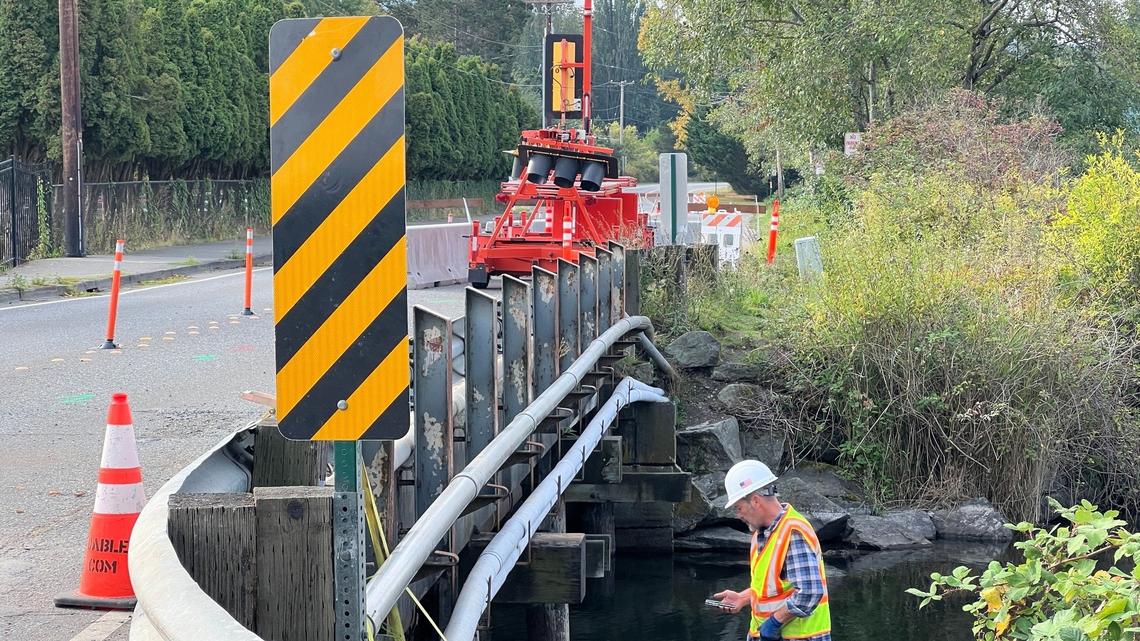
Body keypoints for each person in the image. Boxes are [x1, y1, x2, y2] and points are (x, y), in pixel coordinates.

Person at [712, 460, 831, 641]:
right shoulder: (762, 534)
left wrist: (774, 622)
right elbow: (772, 588)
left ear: (755, 501)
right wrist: (743, 598)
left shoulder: (792, 532)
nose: (739, 515)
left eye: (739, 508)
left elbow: (809, 592)